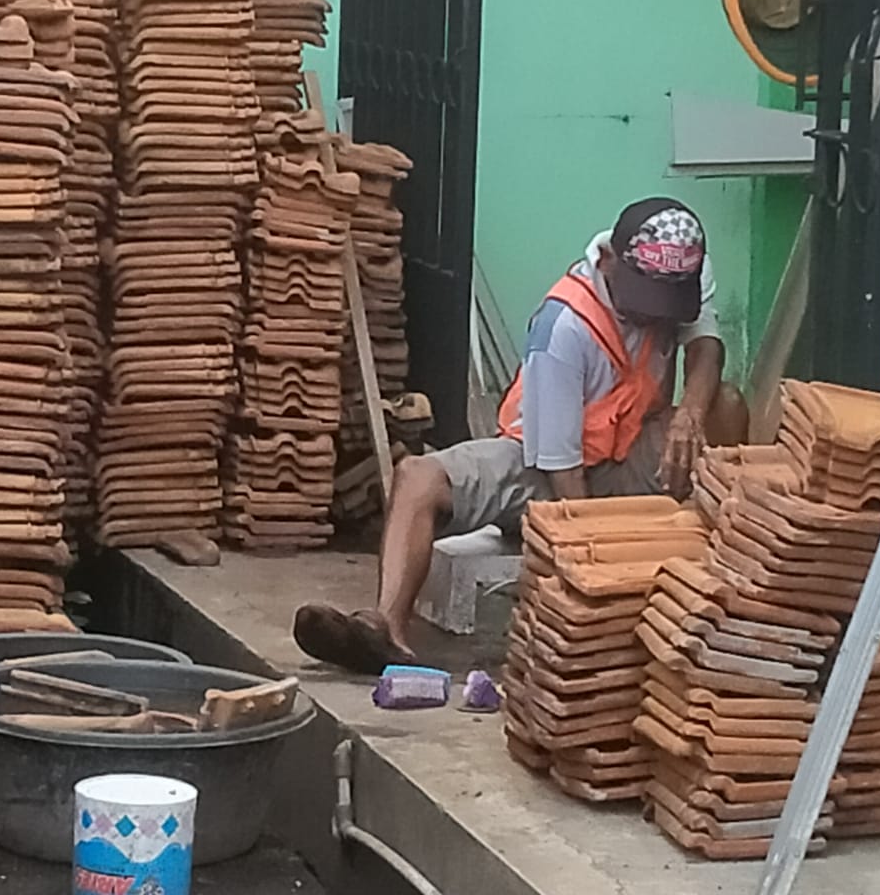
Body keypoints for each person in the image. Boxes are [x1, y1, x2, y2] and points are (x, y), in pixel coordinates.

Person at [293, 196, 748, 674]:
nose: (658, 317)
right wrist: (605, 571)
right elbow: (563, 477)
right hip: (544, 468)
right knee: (417, 476)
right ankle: (385, 627)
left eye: (667, 305)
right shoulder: (562, 328)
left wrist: (689, 414)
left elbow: (705, 348)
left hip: (633, 449)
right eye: (647, 303)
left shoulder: (680, 265)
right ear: (609, 262)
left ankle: (717, 565)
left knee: (727, 405)